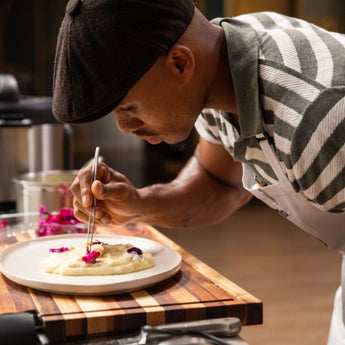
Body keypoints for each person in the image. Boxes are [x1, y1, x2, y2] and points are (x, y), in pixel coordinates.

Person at [52, 0, 345, 343]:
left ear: (179, 63)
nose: (124, 127)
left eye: (129, 107)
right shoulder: (217, 63)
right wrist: (137, 204)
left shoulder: (317, 120)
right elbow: (218, 182)